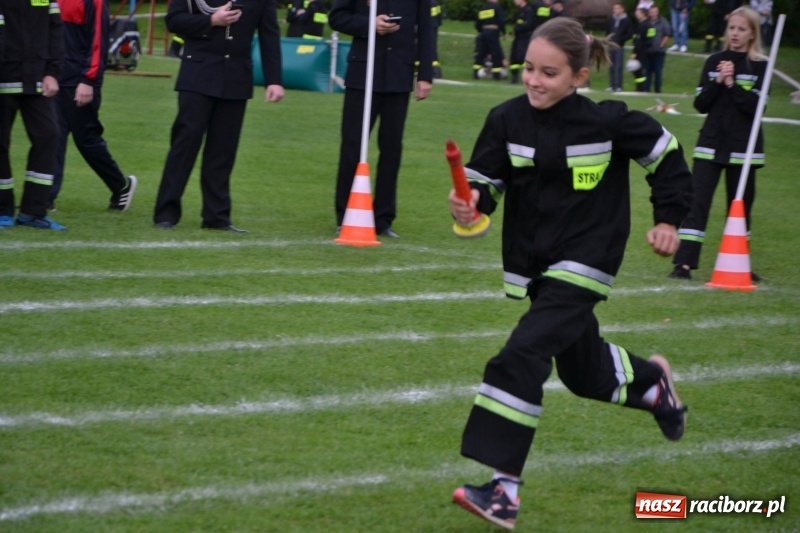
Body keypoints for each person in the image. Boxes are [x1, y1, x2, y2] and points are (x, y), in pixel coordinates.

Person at [447, 17, 692, 530]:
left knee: (521, 355)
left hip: (587, 260)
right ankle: (654, 385)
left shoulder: (607, 121)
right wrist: (468, 204)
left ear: (579, 76)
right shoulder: (505, 118)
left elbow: (667, 156)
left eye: (550, 73)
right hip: (535, 267)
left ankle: (503, 491)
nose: (535, 81)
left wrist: (669, 219)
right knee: (584, 376)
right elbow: (482, 183)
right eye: (529, 69)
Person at [153, 0, 284, 233]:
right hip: (198, 74)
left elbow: (269, 34)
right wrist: (211, 20)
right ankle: (166, 213)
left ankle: (217, 216)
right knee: (185, 145)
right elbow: (173, 20)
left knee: (223, 151)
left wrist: (274, 79)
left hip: (236, 78)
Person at [670, 6, 767, 281]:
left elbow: (758, 107)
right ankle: (684, 264)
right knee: (696, 202)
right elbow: (701, 104)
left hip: (744, 148)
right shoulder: (714, 61)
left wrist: (733, 84)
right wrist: (718, 81)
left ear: (752, 34)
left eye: (741, 29)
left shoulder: (760, 66)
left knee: (740, 206)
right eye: (732, 28)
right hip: (710, 144)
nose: (735, 34)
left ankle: (740, 263)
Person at [330, 0, 434, 238]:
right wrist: (370, 24)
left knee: (391, 148)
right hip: (362, 74)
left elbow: (427, 29)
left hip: (398, 74)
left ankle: (383, 219)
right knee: (353, 145)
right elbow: (337, 17)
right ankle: (345, 214)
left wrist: (425, 74)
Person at [52, 0, 138, 213]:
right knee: (52, 136)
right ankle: (45, 196)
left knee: (87, 140)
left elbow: (99, 41)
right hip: (54, 78)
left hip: (80, 80)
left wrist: (89, 80)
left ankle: (121, 185)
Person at [0, 0, 67, 231]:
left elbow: (55, 30)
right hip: (4, 78)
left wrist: (52, 72)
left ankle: (33, 211)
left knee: (48, 136)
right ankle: (2, 210)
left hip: (36, 79)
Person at [473, 0, 505, 80]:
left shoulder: (483, 8)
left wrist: (482, 30)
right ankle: (496, 75)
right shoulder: (497, 7)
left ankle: (475, 73)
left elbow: (478, 23)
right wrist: (503, 32)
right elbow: (501, 21)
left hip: (483, 32)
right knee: (495, 53)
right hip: (493, 32)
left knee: (481, 53)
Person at [642, 5, 671, 93]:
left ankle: (657, 90)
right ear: (649, 13)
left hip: (659, 52)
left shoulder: (663, 22)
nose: (653, 13)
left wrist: (662, 44)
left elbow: (668, 34)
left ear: (658, 12)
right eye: (652, 12)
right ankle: (646, 90)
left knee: (658, 71)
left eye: (655, 11)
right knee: (647, 72)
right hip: (648, 51)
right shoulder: (646, 22)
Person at [605, 1, 633, 91]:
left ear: (622, 9)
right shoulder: (611, 19)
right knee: (611, 66)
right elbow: (608, 30)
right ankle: (612, 85)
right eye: (614, 9)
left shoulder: (626, 20)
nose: (615, 10)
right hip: (611, 45)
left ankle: (618, 86)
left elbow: (629, 33)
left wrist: (621, 40)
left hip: (619, 46)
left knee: (619, 66)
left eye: (617, 8)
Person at [508, 0, 535, 84]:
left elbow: (529, 25)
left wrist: (518, 29)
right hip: (518, 37)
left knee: (522, 56)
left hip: (524, 37)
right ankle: (514, 78)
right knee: (514, 56)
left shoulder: (528, 10)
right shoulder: (521, 11)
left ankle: (527, 78)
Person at [628, 7, 650, 91]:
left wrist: (635, 52)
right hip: (642, 50)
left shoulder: (643, 25)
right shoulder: (642, 24)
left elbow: (639, 41)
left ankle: (640, 87)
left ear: (643, 14)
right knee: (637, 70)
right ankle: (639, 87)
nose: (636, 14)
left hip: (641, 52)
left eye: (638, 12)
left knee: (638, 70)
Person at [431, 0, 443, 78]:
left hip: (426, 27)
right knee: (433, 48)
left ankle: (435, 71)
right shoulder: (435, 2)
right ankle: (436, 71)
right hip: (434, 27)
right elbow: (439, 18)